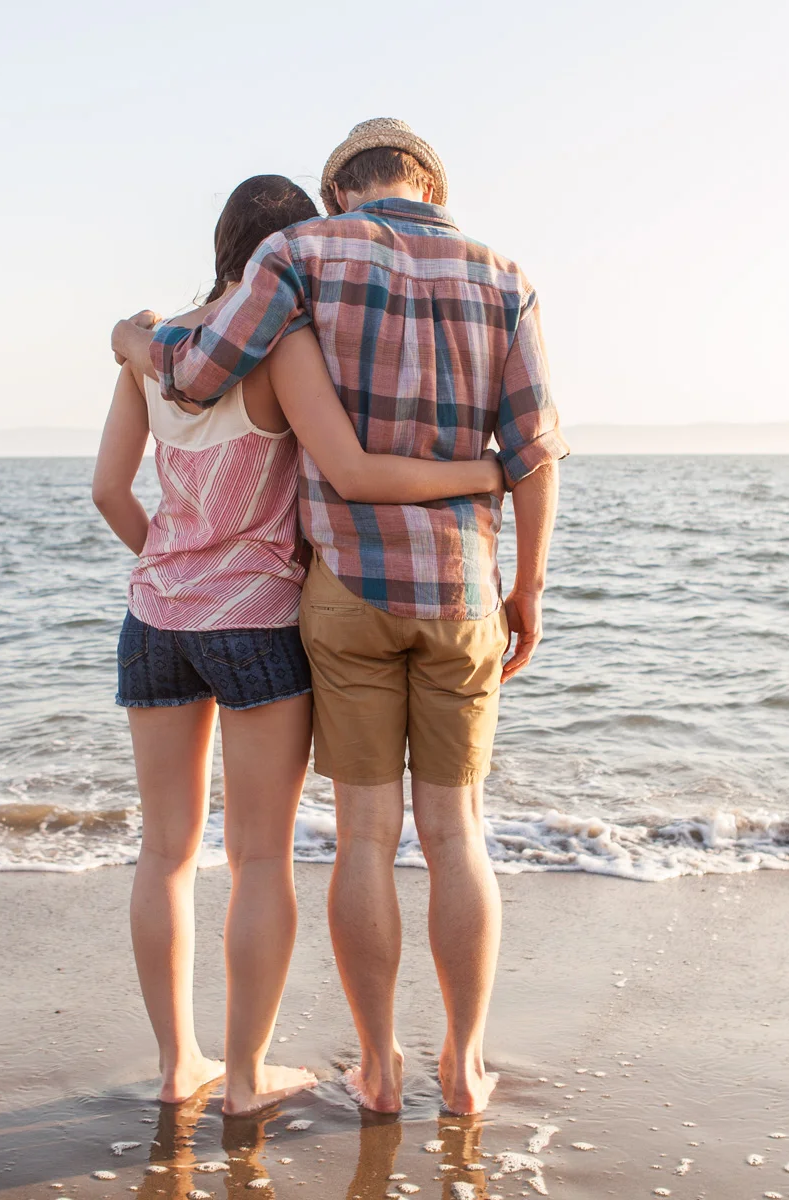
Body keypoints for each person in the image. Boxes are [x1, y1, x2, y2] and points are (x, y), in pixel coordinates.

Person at [112, 120, 568, 1115]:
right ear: (430, 181)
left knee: (360, 837)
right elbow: (537, 451)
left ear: (339, 187)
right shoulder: (505, 275)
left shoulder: (301, 255)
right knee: (457, 834)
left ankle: (378, 1071)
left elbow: (189, 376)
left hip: (338, 595)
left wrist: (133, 337)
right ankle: (462, 1066)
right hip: (460, 589)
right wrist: (527, 586)